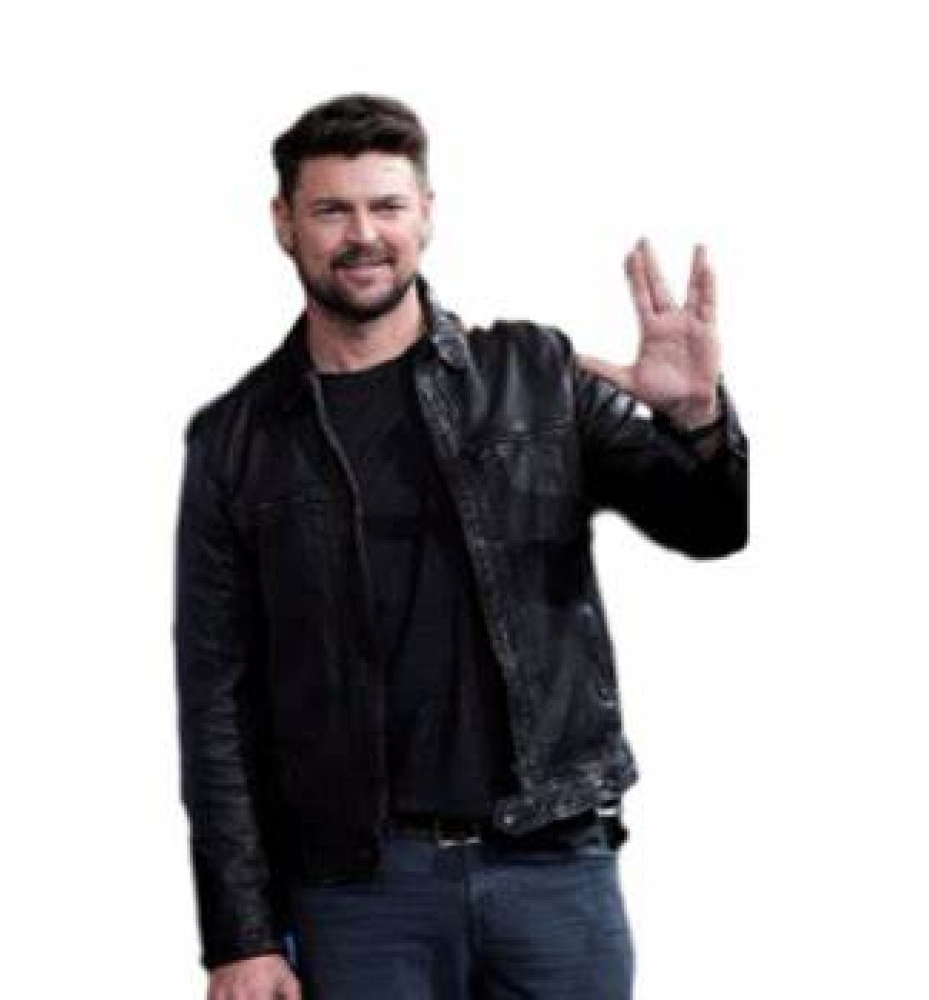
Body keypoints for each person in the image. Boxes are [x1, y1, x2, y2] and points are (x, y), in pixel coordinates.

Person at [172, 92, 748, 1000]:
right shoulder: (235, 441)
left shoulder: (535, 374)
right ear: (284, 223)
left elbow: (712, 527)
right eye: (332, 210)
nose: (364, 234)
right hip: (360, 889)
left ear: (427, 216)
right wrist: (239, 936)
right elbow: (216, 705)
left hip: (552, 866)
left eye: (387, 206)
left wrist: (698, 421)